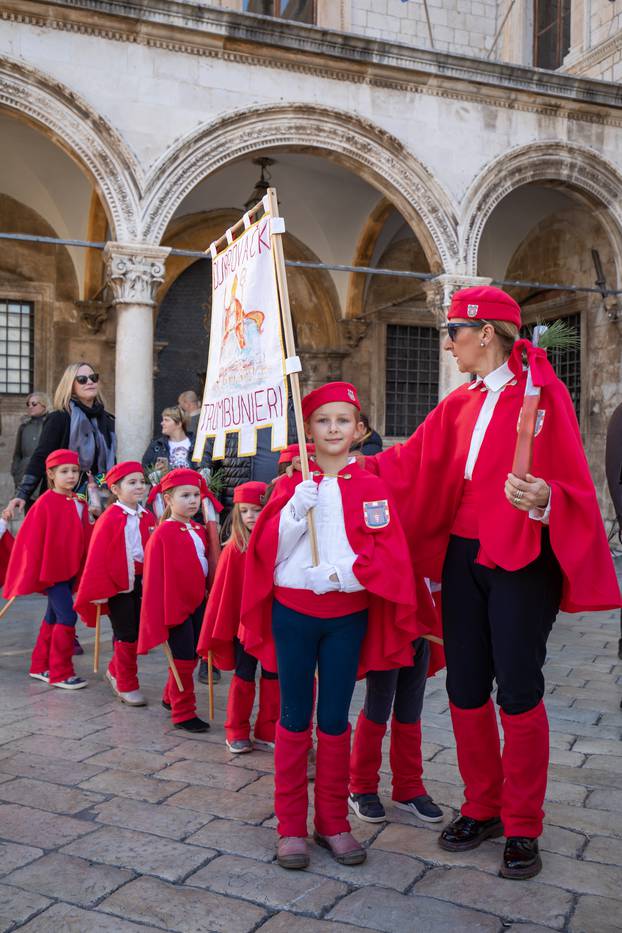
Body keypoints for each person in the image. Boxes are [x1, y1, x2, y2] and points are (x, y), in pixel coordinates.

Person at [361, 285, 621, 880]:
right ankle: (483, 804)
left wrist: (548, 497)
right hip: (462, 556)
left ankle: (524, 823)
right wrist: (345, 460)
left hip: (523, 559)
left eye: (453, 330)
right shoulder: (459, 404)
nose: (446, 342)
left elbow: (576, 485)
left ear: (486, 332)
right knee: (466, 685)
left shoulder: (543, 397)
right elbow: (410, 461)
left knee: (519, 690)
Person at [241, 381, 436, 870]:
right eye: (323, 420)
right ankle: (290, 825)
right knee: (292, 716)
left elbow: (384, 553)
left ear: (358, 430)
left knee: (333, 718)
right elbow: (266, 553)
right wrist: (291, 512)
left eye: (343, 421)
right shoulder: (288, 487)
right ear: (308, 428)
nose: (333, 429)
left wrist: (336, 574)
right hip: (293, 615)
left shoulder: (372, 487)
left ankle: (332, 822)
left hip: (345, 617)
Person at [198, 480, 280, 754]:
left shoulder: (278, 545)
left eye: (256, 510)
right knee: (245, 674)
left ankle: (268, 728)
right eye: (244, 511)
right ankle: (236, 728)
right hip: (243, 628)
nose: (250, 517)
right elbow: (224, 594)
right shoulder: (234, 550)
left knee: (272, 675)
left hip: (271, 625)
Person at [3, 449, 96, 689]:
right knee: (67, 616)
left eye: (75, 471)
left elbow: (83, 534)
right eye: (64, 471)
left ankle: (39, 665)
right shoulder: (44, 503)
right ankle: (61, 671)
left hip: (70, 570)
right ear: (51, 475)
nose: (71, 476)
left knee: (53, 615)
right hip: (52, 572)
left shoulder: (79, 502)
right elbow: (30, 539)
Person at [75, 462, 156, 706]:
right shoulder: (110, 518)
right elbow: (98, 555)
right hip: (119, 585)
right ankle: (126, 683)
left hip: (143, 581)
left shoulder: (147, 516)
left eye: (141, 481)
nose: (139, 486)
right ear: (116, 489)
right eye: (132, 482)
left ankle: (115, 670)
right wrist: (99, 588)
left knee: (138, 629)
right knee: (126, 632)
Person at [138, 468, 211, 733]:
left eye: (195, 495)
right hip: (175, 606)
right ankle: (183, 711)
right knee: (181, 656)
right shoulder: (162, 534)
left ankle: (171, 696)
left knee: (192, 654)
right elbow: (155, 578)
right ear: (168, 499)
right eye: (185, 496)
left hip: (197, 602)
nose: (192, 501)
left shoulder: (199, 530)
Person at [348, 636, 443, 824]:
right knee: (378, 706)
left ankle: (408, 786)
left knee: (411, 707)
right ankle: (361, 785)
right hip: (388, 626)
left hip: (420, 626)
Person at [3, 363, 116, 516]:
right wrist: (22, 493)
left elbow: (112, 462)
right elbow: (41, 456)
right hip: (64, 497)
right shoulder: (60, 417)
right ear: (71, 385)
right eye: (82, 379)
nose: (89, 382)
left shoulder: (107, 420)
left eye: (93, 378)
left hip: (100, 499)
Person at [10, 392, 51, 510]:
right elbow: (18, 454)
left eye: (34, 404)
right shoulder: (24, 426)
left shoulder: (52, 424)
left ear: (44, 405)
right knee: (29, 514)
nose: (30, 407)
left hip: (45, 477)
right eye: (28, 404)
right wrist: (16, 472)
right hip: (25, 476)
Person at [142, 406, 194, 472]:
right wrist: (156, 473)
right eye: (163, 420)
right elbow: (145, 470)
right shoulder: (157, 445)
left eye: (166, 420)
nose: (162, 423)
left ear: (179, 424)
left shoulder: (196, 444)